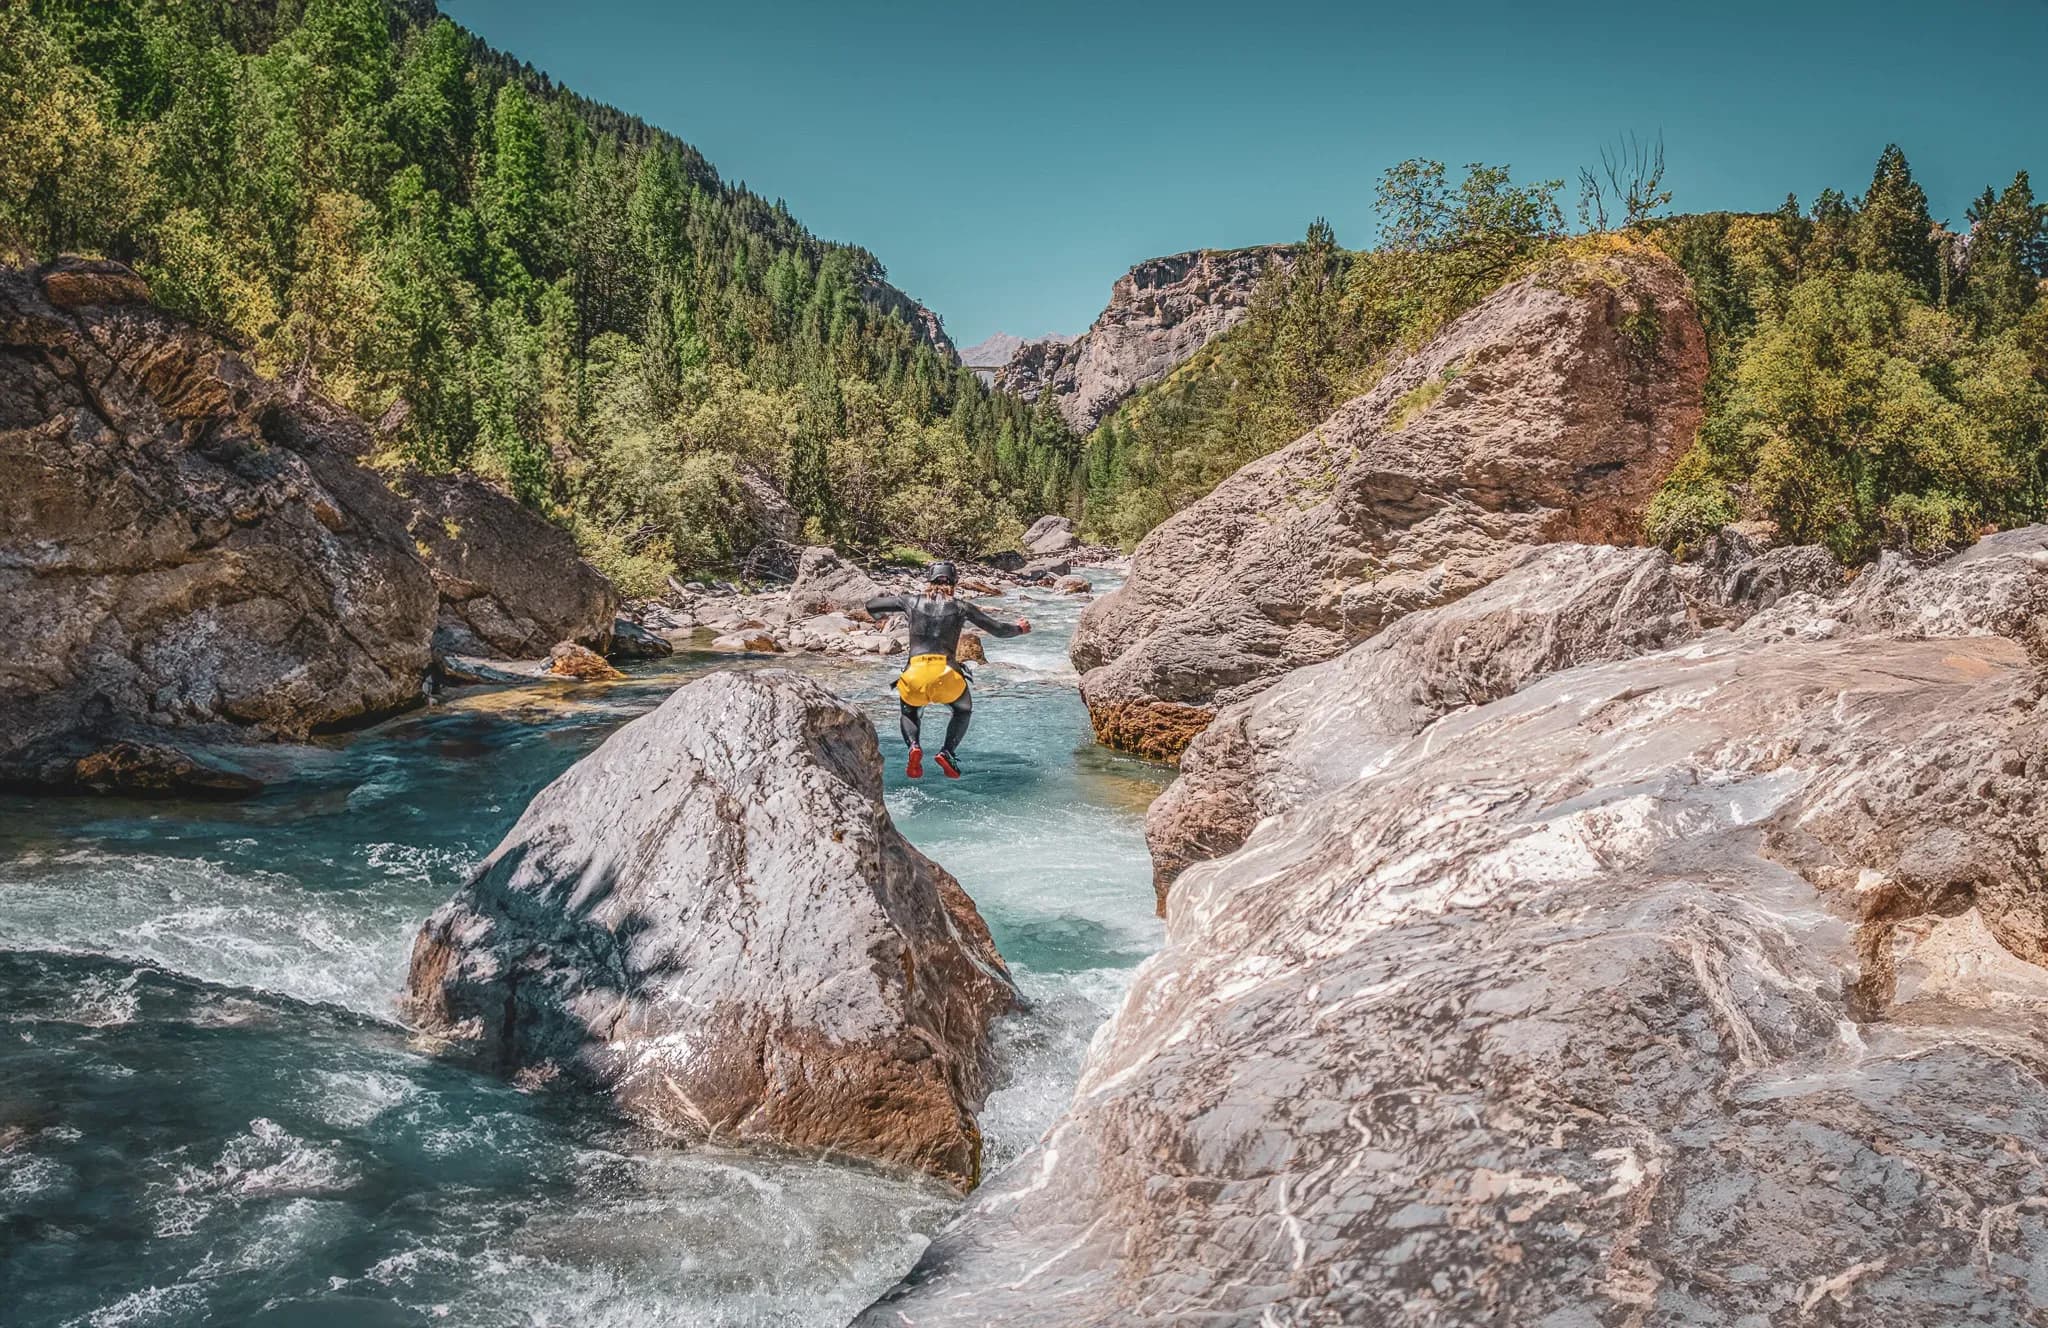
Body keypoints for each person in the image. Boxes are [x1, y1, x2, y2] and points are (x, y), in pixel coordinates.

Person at [865, 561, 1029, 778]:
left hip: (915, 673)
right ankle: (947, 751)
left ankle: (914, 746)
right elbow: (998, 630)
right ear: (955, 582)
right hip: (947, 674)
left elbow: (872, 605)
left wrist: (879, 617)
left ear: (929, 580)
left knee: (910, 713)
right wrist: (1019, 629)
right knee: (962, 711)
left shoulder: (910, 601)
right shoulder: (961, 607)